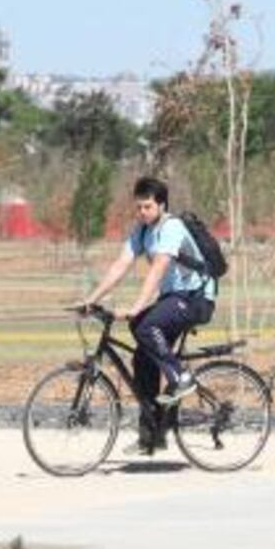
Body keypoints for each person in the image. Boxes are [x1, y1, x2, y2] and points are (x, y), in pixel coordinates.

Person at [79, 177, 216, 455]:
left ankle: (181, 378)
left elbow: (158, 269)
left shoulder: (172, 227)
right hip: (173, 298)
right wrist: (91, 299)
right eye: (138, 207)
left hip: (196, 298)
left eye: (148, 207)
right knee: (142, 355)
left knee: (145, 324)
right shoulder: (142, 231)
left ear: (161, 205)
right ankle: (152, 435)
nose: (142, 212)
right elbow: (121, 264)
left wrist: (137, 305)